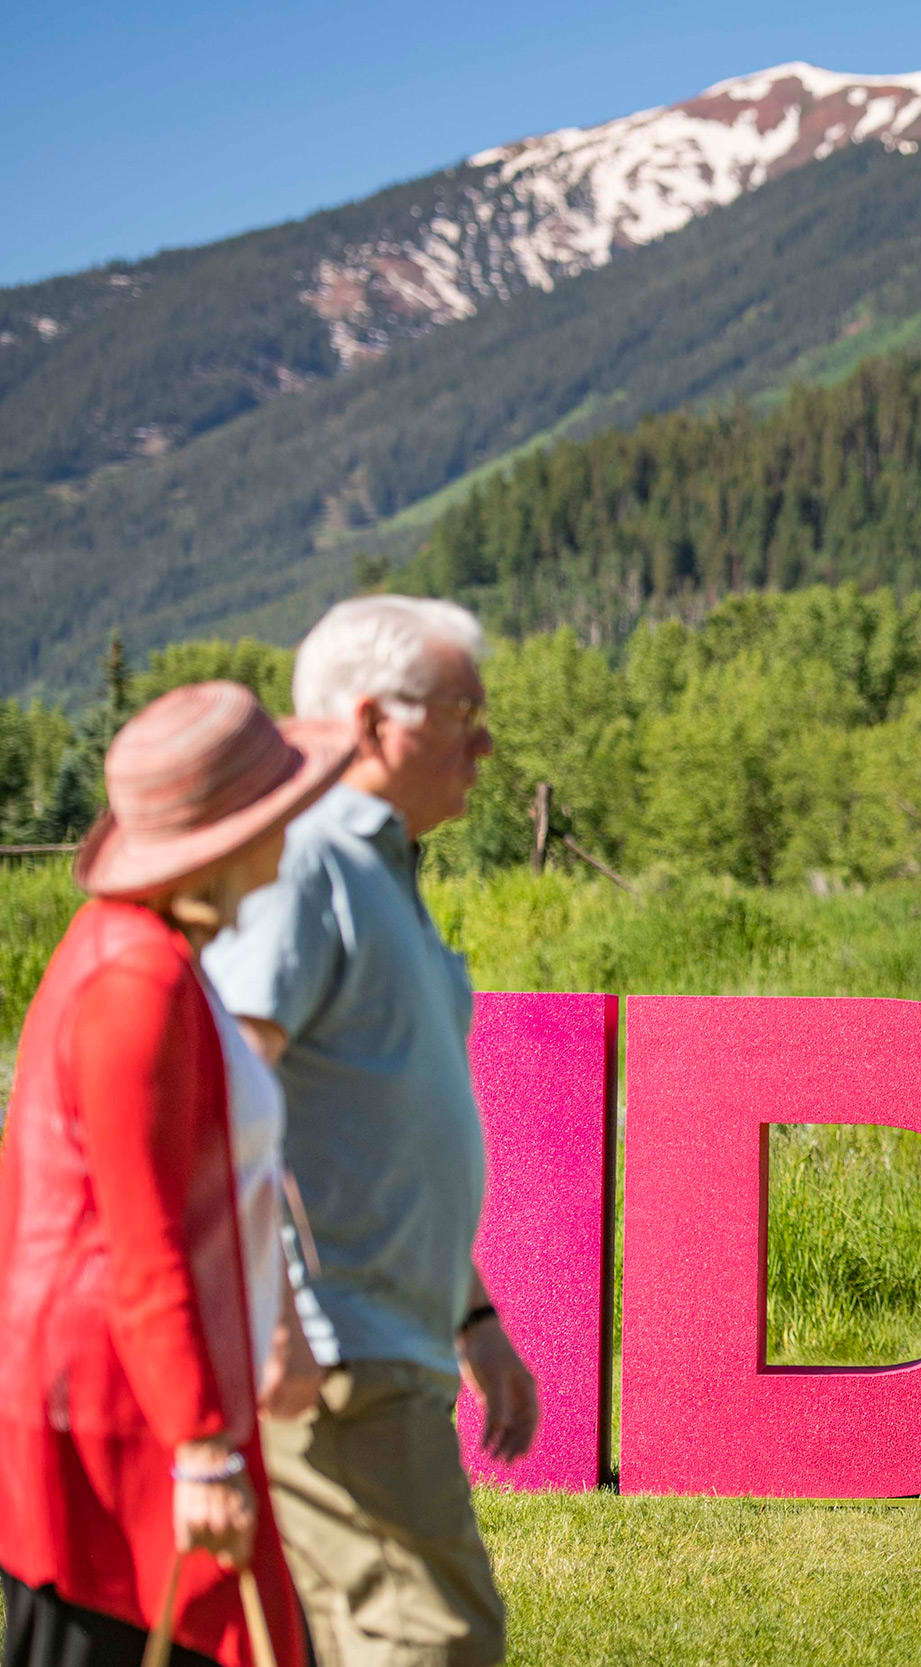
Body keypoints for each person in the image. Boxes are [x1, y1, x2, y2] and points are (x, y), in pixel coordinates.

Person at [204, 597, 534, 1667]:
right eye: (460, 708)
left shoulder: (379, 870)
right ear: (371, 721)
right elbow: (220, 1097)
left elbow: (370, 1132)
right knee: (430, 1639)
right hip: (333, 1352)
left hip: (384, 1344)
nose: (484, 738)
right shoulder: (304, 864)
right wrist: (283, 1315)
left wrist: (471, 1312)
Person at [1, 682, 350, 1667]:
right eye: (282, 801)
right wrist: (200, 1448)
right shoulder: (135, 980)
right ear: (231, 831)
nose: (297, 817)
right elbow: (139, 1238)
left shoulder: (161, 955)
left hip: (155, 1397)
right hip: (116, 1426)